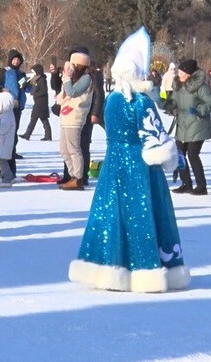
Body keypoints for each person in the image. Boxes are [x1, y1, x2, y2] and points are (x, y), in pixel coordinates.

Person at [68, 27, 190, 293]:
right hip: (139, 166)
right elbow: (155, 137)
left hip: (114, 163)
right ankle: (145, 270)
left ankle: (106, 268)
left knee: (111, 214)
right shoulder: (141, 103)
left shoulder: (112, 100)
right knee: (143, 215)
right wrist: (173, 158)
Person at [169, 59, 211, 195]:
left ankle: (201, 186)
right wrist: (170, 107)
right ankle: (186, 183)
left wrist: (199, 110)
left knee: (192, 154)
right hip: (182, 124)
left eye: (181, 71)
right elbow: (173, 102)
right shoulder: (178, 86)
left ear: (188, 73)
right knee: (180, 155)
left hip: (197, 124)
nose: (178, 72)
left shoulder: (200, 87)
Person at [56, 52, 95, 191]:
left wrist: (67, 78)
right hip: (66, 116)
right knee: (64, 149)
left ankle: (78, 178)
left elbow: (72, 92)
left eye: (74, 64)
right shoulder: (74, 78)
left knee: (74, 149)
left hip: (76, 117)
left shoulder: (86, 78)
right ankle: (73, 175)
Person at [0, 49, 30, 170]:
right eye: (14, 59)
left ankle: (13, 152)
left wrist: (28, 85)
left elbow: (29, 89)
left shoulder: (22, 74)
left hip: (18, 107)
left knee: (14, 132)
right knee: (5, 134)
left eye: (18, 60)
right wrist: (4, 93)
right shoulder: (5, 72)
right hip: (8, 106)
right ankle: (2, 165)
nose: (16, 61)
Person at [19, 63, 52, 141]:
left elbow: (44, 91)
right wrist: (24, 83)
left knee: (34, 118)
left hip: (41, 103)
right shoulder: (36, 78)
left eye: (33, 71)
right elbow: (28, 84)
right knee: (43, 119)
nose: (33, 73)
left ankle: (27, 135)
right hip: (38, 102)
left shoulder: (42, 79)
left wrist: (35, 93)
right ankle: (48, 136)